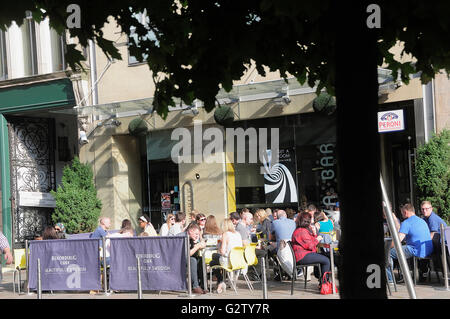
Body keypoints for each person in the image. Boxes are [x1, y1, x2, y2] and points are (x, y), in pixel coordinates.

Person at [388, 203, 434, 282]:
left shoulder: (406, 222)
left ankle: (390, 280)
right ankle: (404, 276)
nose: (401, 215)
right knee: (402, 250)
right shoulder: (422, 221)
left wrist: (387, 247)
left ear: (405, 212)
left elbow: (398, 240)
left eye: (402, 213)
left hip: (416, 250)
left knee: (388, 253)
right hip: (428, 250)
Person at [291, 212, 331, 283]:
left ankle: (322, 280)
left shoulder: (301, 230)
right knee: (326, 260)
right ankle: (324, 283)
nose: (312, 222)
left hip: (303, 254)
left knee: (325, 256)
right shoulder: (302, 231)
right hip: (303, 256)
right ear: (307, 221)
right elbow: (310, 246)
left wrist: (314, 234)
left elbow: (309, 242)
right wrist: (317, 239)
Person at [209, 218, 243, 293]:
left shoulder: (225, 234)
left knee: (213, 260)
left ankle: (221, 281)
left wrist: (220, 245)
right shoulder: (238, 234)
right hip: (238, 261)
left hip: (229, 262)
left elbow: (222, 251)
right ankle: (221, 282)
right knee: (215, 259)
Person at [182, 222, 207, 294]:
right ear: (190, 231)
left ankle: (202, 285)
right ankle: (195, 286)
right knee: (192, 260)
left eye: (198, 234)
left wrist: (201, 239)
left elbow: (201, 242)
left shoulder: (190, 237)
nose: (197, 236)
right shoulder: (183, 237)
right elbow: (187, 254)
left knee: (200, 259)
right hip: (176, 259)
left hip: (182, 258)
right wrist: (197, 246)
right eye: (196, 234)